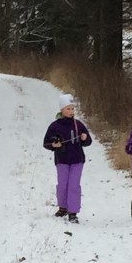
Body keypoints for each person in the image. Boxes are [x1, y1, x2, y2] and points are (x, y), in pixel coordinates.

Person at [43, 94, 92, 223]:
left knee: (74, 186)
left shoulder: (78, 124)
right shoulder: (55, 126)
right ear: (62, 110)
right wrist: (54, 145)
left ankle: (73, 212)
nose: (71, 111)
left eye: (72, 109)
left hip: (77, 160)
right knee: (62, 185)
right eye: (68, 109)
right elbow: (46, 143)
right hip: (62, 160)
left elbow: (88, 141)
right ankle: (63, 207)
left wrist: (84, 138)